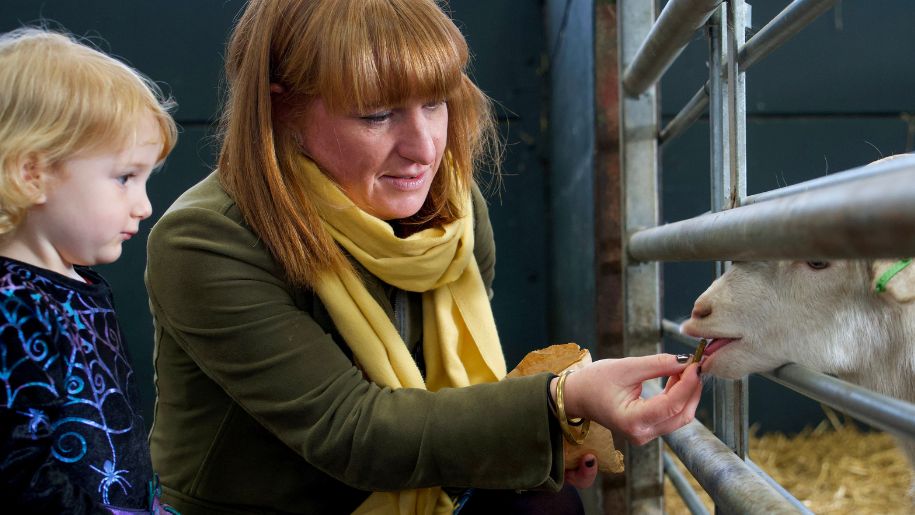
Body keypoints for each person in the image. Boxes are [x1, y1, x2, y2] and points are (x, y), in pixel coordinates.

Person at [144, 0, 703, 513]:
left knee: (544, 504)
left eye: (435, 103)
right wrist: (560, 400)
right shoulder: (203, 241)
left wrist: (556, 430)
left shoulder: (454, 209)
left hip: (418, 487)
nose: (425, 148)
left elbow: (448, 393)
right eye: (376, 115)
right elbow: (350, 432)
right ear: (280, 108)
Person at [0, 28, 178, 514]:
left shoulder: (76, 287)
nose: (143, 206)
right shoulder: (14, 303)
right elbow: (17, 468)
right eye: (124, 178)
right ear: (31, 174)